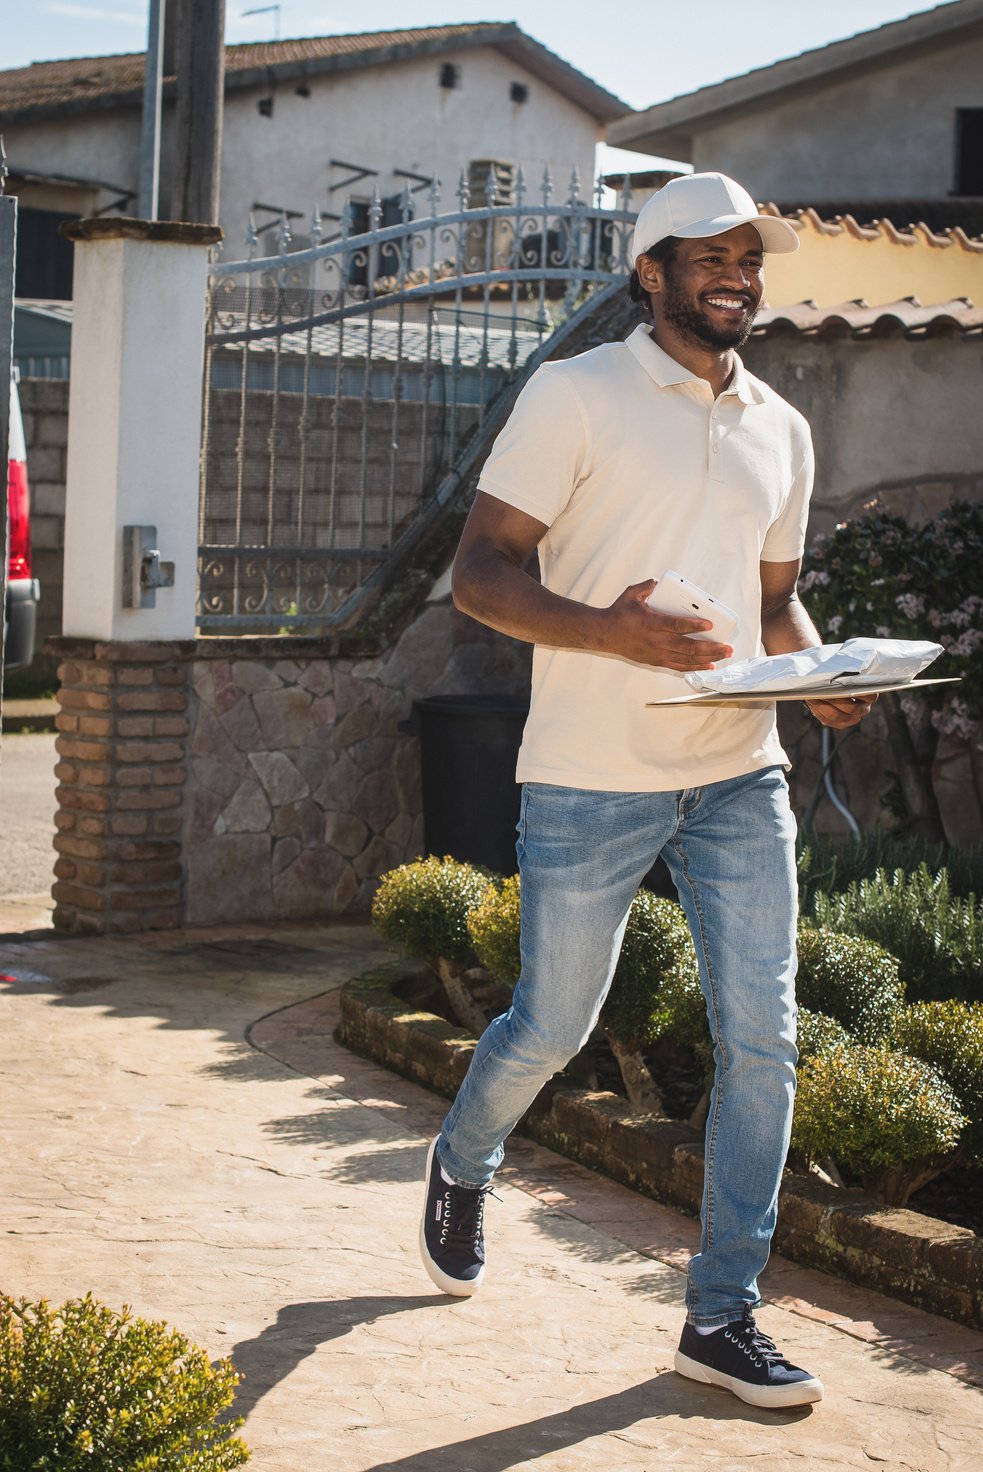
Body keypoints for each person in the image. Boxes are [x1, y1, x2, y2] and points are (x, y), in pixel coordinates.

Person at [418, 171, 874, 1409]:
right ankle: (464, 1154)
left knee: (763, 1040)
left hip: (738, 773)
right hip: (587, 773)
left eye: (748, 255)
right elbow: (477, 573)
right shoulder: (573, 396)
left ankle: (719, 1314)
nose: (735, 272)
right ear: (649, 272)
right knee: (552, 1025)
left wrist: (816, 669)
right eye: (707, 254)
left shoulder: (780, 424)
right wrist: (609, 634)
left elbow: (772, 599)